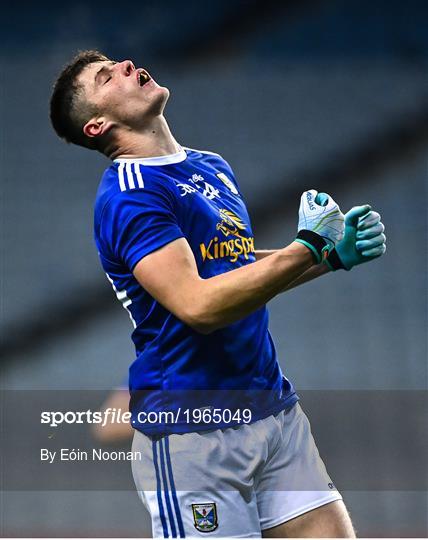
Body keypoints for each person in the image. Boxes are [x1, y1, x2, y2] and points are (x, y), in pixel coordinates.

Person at [50, 50, 386, 538]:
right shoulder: (130, 194)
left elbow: (238, 269)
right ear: (98, 125)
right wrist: (307, 244)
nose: (125, 65)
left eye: (118, 62)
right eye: (106, 77)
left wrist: (328, 256)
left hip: (272, 410)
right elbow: (200, 305)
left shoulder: (209, 166)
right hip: (193, 434)